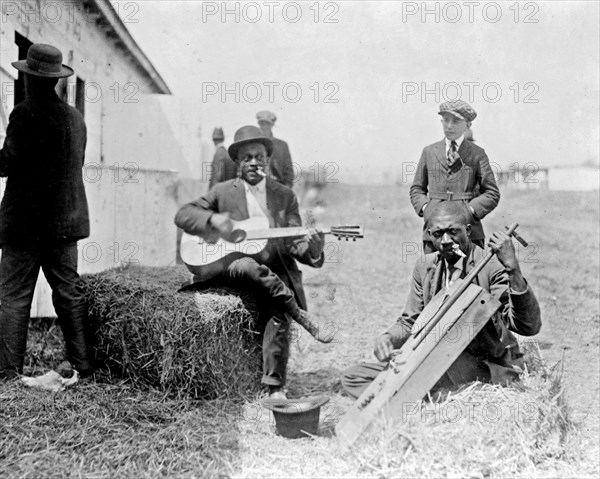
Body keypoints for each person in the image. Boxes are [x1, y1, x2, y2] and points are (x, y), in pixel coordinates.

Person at [175, 125, 326, 399]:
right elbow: (184, 215)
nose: (254, 162)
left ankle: (274, 387)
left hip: (270, 273)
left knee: (276, 300)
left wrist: (313, 247)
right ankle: (302, 316)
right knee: (246, 265)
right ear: (237, 162)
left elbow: (294, 243)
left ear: (268, 159)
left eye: (259, 156)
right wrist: (212, 219)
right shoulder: (223, 192)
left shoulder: (284, 196)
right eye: (247, 157)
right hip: (229, 265)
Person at [341, 201, 541, 399]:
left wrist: (513, 269)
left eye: (453, 231)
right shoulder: (425, 267)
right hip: (433, 362)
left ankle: (426, 398)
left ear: (468, 230)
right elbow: (410, 321)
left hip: (480, 366)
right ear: (429, 235)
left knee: (435, 369)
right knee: (353, 377)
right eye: (438, 234)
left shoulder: (490, 265)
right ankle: (428, 400)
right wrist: (387, 338)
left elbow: (527, 327)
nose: (445, 240)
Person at [0, 43, 93, 379]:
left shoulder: (23, 113)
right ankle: (83, 365)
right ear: (54, 79)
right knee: (69, 293)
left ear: (28, 78)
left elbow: (6, 164)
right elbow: (74, 165)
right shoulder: (75, 118)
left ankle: (9, 372)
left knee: (13, 296)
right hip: (66, 223)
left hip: (25, 226)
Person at [410, 100, 500, 253]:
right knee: (432, 275)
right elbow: (417, 189)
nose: (449, 126)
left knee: (470, 275)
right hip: (435, 232)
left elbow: (492, 193)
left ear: (468, 125)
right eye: (446, 120)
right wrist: (427, 209)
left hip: (468, 232)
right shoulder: (429, 152)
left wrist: (469, 210)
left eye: (456, 121)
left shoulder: (478, 154)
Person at [256, 110, 294, 188]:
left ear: (272, 125)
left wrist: (286, 189)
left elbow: (289, 170)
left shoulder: (282, 145)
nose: (264, 127)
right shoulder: (253, 144)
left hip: (277, 187)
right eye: (262, 124)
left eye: (267, 124)